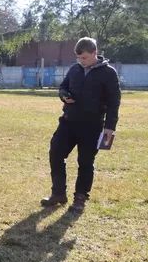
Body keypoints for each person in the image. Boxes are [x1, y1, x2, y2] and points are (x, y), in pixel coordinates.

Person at [41, 37, 121, 213]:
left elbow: (114, 102)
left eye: (84, 57)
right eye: (78, 58)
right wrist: (64, 95)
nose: (81, 61)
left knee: (85, 162)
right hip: (68, 122)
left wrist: (110, 127)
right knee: (56, 152)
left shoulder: (109, 73)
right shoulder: (74, 69)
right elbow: (63, 87)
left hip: (92, 126)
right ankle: (58, 193)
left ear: (94, 53)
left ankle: (80, 198)